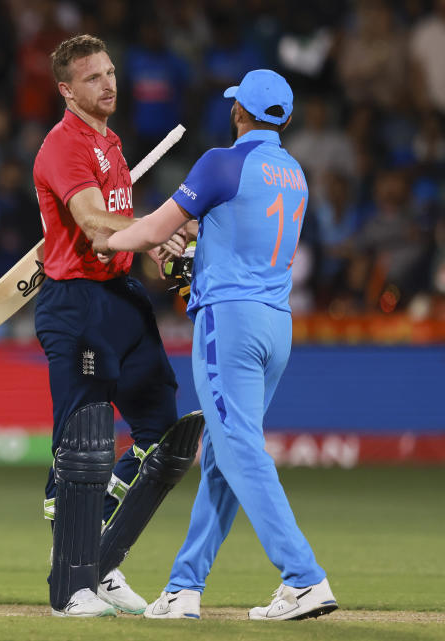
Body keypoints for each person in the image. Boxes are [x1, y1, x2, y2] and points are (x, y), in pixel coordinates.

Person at [93, 69, 338, 621]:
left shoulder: (221, 162)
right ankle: (184, 588)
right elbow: (241, 231)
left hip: (228, 320)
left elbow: (154, 230)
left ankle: (303, 577)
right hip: (277, 325)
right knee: (225, 457)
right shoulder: (295, 173)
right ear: (287, 119)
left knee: (239, 451)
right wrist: (197, 238)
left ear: (237, 112)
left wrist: (105, 236)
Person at [33, 34, 204, 618]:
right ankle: (70, 584)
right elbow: (94, 225)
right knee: (85, 443)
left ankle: (99, 559)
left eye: (109, 72)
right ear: (66, 89)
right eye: (91, 77)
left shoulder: (112, 142)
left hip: (121, 297)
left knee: (163, 434)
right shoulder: (61, 146)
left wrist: (153, 244)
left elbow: (122, 229)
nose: (108, 83)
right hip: (76, 302)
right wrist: (160, 226)